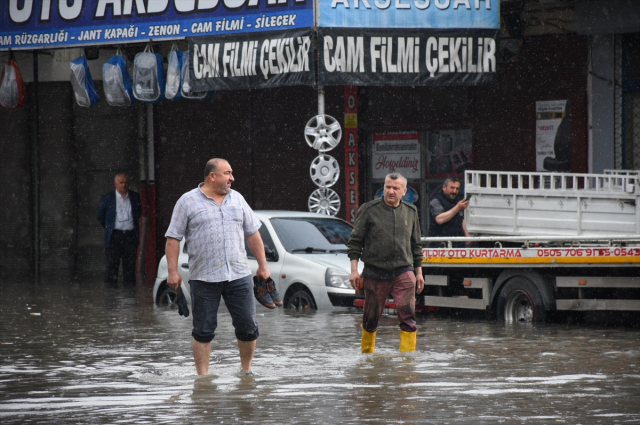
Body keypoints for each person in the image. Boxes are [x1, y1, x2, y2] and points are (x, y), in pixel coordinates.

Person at [165, 158, 270, 376]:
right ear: (212, 176)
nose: (232, 178)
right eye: (227, 173)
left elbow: (252, 233)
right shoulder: (187, 201)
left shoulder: (237, 199)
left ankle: (246, 372)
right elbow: (173, 238)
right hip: (203, 277)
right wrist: (172, 271)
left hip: (239, 274)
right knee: (203, 331)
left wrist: (263, 266)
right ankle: (202, 379)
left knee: (248, 327)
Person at [347, 172, 425, 353]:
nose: (390, 191)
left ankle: (407, 363)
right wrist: (354, 270)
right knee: (371, 318)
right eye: (387, 187)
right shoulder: (369, 209)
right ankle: (367, 358)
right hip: (375, 271)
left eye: (395, 188)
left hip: (403, 270)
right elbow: (355, 242)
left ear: (404, 191)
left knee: (408, 314)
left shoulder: (411, 211)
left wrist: (419, 272)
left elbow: (416, 245)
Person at [97, 173, 142, 284]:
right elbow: (100, 216)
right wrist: (110, 227)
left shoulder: (135, 197)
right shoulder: (108, 198)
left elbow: (138, 213)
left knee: (130, 267)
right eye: (121, 183)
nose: (124, 185)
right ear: (115, 184)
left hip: (130, 236)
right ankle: (111, 296)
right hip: (114, 236)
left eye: (126, 182)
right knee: (112, 266)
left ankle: (130, 295)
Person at [428, 177, 470, 248]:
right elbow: (439, 219)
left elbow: (461, 218)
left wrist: (467, 235)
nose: (454, 191)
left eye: (457, 189)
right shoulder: (436, 201)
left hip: (458, 244)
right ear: (444, 188)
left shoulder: (458, 200)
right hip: (440, 246)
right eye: (452, 188)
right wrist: (457, 208)